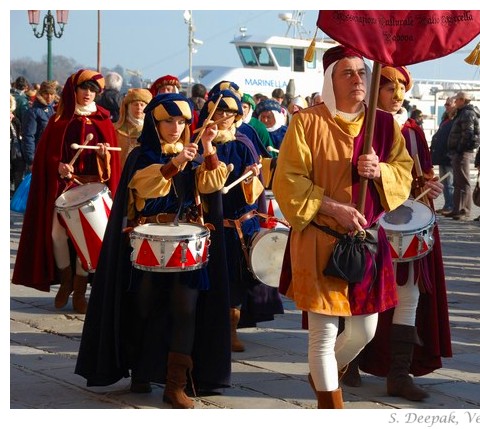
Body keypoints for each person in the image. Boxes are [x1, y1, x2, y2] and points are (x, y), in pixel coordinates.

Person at [272, 45, 413, 408]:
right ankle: (330, 406)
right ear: (330, 80)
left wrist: (379, 170)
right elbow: (288, 180)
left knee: (364, 330)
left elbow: (404, 172)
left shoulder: (382, 124)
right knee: (323, 333)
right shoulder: (307, 122)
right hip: (320, 239)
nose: (357, 79)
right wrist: (332, 207)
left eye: (362, 72)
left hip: (366, 242)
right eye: (347, 73)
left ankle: (322, 375)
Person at [76, 92, 233, 408]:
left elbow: (211, 186)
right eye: (168, 121)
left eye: (181, 122)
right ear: (155, 123)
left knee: (186, 308)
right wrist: (176, 161)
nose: (175, 128)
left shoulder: (194, 154)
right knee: (145, 306)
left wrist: (206, 148)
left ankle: (175, 385)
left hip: (188, 244)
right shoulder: (141, 155)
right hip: (146, 241)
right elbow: (145, 184)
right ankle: (141, 371)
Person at [340, 65, 452, 401]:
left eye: (401, 88)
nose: (398, 96)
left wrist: (432, 190)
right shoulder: (356, 125)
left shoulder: (414, 131)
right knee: (358, 292)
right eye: (390, 88)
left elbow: (424, 177)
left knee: (409, 294)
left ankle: (399, 375)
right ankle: (351, 360)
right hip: (369, 221)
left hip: (406, 225)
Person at [12, 69, 120, 314]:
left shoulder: (103, 119)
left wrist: (103, 157)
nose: (88, 94)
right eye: (84, 88)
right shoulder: (59, 119)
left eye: (93, 90)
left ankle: (80, 288)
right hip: (66, 186)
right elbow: (45, 157)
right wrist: (57, 165)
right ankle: (66, 279)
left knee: (88, 238)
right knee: (56, 233)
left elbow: (112, 168)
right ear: (75, 90)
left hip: (94, 187)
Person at [196, 82, 283, 353]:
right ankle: (209, 327)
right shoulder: (197, 142)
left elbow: (254, 192)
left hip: (238, 223)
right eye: (218, 111)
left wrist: (252, 176)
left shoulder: (243, 143)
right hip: (210, 221)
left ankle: (232, 330)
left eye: (229, 113)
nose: (223, 117)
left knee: (235, 278)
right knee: (209, 278)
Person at [446, 91, 480, 220]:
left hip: (462, 152)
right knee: (458, 181)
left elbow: (468, 133)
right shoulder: (463, 113)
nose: (455, 102)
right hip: (459, 151)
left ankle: (464, 210)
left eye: (457, 100)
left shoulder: (467, 113)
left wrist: (460, 148)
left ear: (462, 100)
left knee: (463, 181)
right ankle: (457, 209)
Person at [21, 80, 58, 173]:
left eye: (51, 93)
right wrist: (31, 160)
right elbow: (28, 136)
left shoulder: (55, 109)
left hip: (53, 155)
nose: (49, 96)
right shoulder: (33, 112)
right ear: (41, 94)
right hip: (39, 155)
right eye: (46, 93)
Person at [430, 96, 456, 214]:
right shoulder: (445, 119)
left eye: (448, 104)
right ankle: (448, 204)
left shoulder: (456, 120)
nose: (446, 107)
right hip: (442, 155)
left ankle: (451, 205)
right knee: (445, 182)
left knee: (450, 182)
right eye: (445, 104)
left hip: (449, 155)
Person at [114, 88, 152, 168]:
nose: (139, 108)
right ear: (127, 107)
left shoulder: (153, 130)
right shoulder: (116, 130)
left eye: (142, 105)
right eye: (135, 104)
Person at [10, 94, 25, 195]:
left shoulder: (13, 118)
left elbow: (19, 130)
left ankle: (17, 193)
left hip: (15, 148)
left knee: (19, 168)